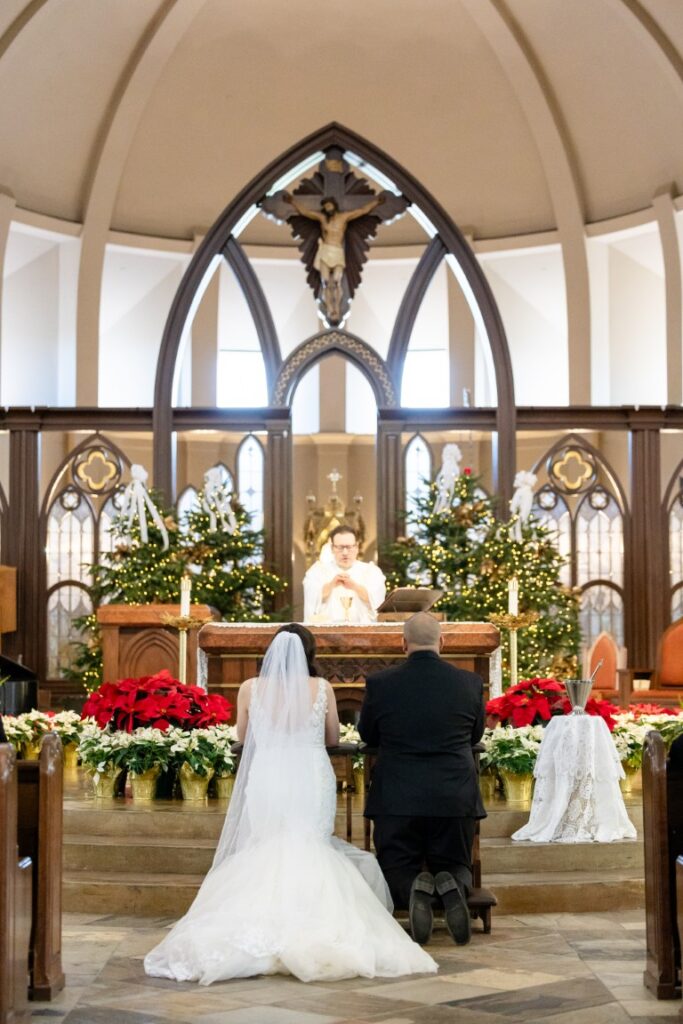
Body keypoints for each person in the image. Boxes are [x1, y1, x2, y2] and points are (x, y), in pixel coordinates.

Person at [144, 623, 436, 984]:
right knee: (310, 844)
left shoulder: (249, 688)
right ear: (309, 654)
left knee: (268, 844)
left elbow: (244, 736)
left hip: (267, 774)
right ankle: (314, 925)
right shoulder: (322, 688)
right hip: (310, 773)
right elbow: (332, 737)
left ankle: (260, 929)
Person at [358, 612, 486, 946]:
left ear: (403, 644)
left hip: (397, 795)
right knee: (457, 863)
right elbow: (475, 735)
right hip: (454, 794)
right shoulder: (469, 683)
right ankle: (453, 885)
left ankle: (413, 887)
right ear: (442, 642)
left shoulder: (381, 683)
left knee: (395, 867)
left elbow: (367, 734)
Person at [283, 192, 384, 322]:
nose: (328, 208)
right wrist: (292, 202)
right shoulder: (322, 219)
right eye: (325, 207)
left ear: (334, 206)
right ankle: (330, 309)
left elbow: (362, 210)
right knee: (325, 283)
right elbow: (306, 212)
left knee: (336, 281)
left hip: (337, 251)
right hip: (326, 250)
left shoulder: (343, 217)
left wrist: (376, 202)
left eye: (329, 205)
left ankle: (337, 307)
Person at [303, 525, 386, 623]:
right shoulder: (317, 571)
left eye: (349, 547)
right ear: (332, 548)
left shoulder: (371, 571)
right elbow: (311, 600)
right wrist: (331, 585)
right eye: (340, 547)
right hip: (328, 629)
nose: (345, 552)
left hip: (362, 629)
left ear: (357, 547)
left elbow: (378, 603)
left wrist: (355, 586)